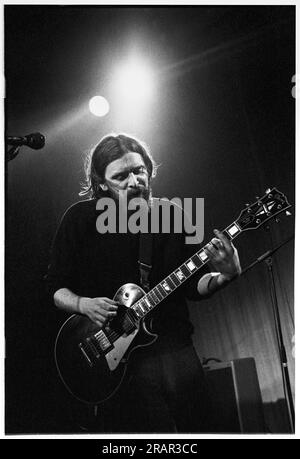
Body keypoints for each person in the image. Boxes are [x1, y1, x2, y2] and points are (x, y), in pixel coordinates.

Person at [46, 133, 241, 433]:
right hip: (119, 363)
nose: (134, 180)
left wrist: (225, 274)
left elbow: (193, 285)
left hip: (177, 351)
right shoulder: (80, 219)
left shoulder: (172, 214)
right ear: (100, 183)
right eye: (121, 176)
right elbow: (55, 288)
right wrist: (83, 304)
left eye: (139, 171)